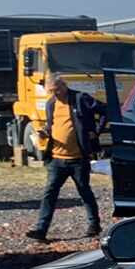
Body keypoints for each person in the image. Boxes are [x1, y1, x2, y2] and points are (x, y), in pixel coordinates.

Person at [25, 74, 104, 242]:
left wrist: (96, 131)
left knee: (84, 191)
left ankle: (94, 224)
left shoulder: (80, 99)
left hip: (78, 159)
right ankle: (41, 229)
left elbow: (105, 110)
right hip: (56, 159)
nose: (55, 94)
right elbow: (51, 125)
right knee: (49, 193)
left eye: (57, 90)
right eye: (51, 91)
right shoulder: (51, 103)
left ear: (64, 85)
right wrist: (45, 132)